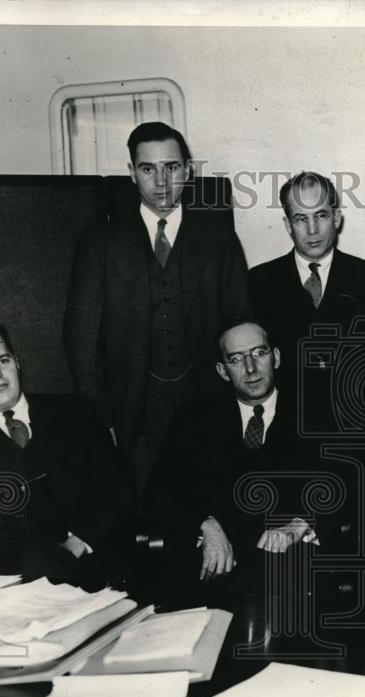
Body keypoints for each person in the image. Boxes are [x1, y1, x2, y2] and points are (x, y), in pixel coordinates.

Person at [63, 121, 250, 491]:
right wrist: (104, 420)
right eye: (148, 169)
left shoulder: (219, 239)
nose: (162, 182)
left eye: (171, 167)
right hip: (131, 419)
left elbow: (241, 325)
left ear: (188, 170)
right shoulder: (99, 244)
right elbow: (80, 343)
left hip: (206, 409)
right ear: (132, 173)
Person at [143, 319, 354, 608]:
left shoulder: (318, 414)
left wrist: (299, 524)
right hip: (211, 568)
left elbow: (345, 483)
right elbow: (157, 493)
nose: (251, 368)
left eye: (259, 353)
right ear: (222, 371)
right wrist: (204, 525)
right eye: (236, 359)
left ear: (276, 357)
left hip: (290, 571)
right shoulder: (193, 419)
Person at [0, 320, 134, 588]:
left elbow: (120, 492)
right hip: (1, 589)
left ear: (17, 363)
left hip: (89, 576)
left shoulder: (74, 412)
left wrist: (78, 544)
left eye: (3, 361)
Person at [248, 171, 365, 475]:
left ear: (336, 218)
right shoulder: (260, 281)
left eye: (321, 215)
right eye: (301, 219)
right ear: (287, 224)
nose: (312, 230)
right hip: (284, 445)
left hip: (353, 445)